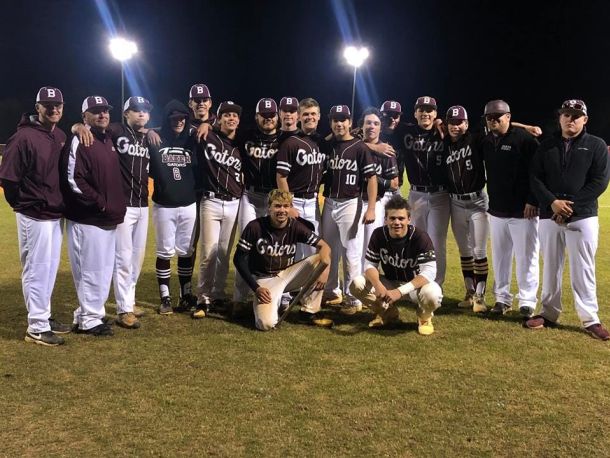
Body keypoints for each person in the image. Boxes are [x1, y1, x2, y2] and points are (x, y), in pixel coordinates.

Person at [527, 99, 610, 340]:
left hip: (582, 216)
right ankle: (548, 313)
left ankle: (590, 319)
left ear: (585, 119)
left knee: (583, 268)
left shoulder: (596, 145)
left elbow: (599, 181)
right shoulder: (547, 145)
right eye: (566, 114)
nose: (570, 119)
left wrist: (569, 207)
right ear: (560, 118)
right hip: (549, 214)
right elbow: (535, 177)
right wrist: (552, 202)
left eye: (575, 115)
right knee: (550, 267)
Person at [0, 87, 71, 346]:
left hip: (54, 213)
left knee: (49, 269)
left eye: (57, 105)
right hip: (34, 214)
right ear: (37, 107)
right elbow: (8, 179)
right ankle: (37, 327)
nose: (53, 109)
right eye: (47, 105)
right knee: (36, 269)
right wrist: (24, 204)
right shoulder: (23, 137)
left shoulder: (60, 135)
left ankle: (43, 316)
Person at [61, 96, 126, 336]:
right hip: (87, 218)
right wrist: (101, 204)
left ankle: (87, 314)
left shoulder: (106, 138)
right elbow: (72, 179)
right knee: (90, 270)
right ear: (84, 116)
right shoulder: (80, 139)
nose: (102, 115)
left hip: (106, 218)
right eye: (96, 111)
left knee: (102, 270)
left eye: (105, 110)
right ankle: (89, 319)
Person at [233, 189, 332, 330]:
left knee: (321, 260)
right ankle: (266, 306)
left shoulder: (295, 226)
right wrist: (256, 288)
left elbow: (325, 246)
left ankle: (309, 312)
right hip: (265, 280)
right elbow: (238, 259)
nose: (282, 210)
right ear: (269, 207)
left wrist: (324, 271)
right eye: (277, 206)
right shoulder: (255, 227)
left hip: (288, 275)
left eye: (286, 206)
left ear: (290, 208)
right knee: (266, 324)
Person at [350, 194, 443, 335]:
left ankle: (424, 317)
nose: (397, 222)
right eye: (392, 218)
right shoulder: (378, 234)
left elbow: (429, 272)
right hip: (389, 283)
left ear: (409, 219)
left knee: (433, 293)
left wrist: (399, 292)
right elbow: (369, 266)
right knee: (357, 284)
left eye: (401, 218)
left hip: (414, 287)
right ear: (385, 219)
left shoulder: (420, 237)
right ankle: (388, 314)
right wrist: (378, 285)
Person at [481, 99, 540, 317]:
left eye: (497, 117)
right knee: (500, 258)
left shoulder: (525, 140)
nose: (493, 120)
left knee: (527, 258)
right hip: (497, 210)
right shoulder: (486, 140)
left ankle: (527, 301)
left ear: (508, 117)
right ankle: (502, 299)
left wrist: (533, 200)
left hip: (523, 211)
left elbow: (538, 172)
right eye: (489, 117)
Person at [321, 105, 377, 314]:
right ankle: (332, 291)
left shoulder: (360, 147)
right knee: (329, 250)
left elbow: (371, 179)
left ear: (350, 122)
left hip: (351, 203)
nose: (339, 123)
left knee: (351, 253)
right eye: (335, 120)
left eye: (343, 119)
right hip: (329, 202)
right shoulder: (328, 146)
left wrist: (371, 208)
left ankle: (353, 297)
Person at [193, 101, 244, 318]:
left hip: (234, 203)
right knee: (209, 253)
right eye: (227, 115)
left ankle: (218, 293)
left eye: (235, 115)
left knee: (224, 253)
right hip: (211, 201)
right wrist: (206, 124)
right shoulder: (208, 136)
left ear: (239, 121)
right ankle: (203, 297)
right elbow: (186, 128)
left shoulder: (241, 144)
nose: (231, 118)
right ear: (219, 118)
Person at [149, 100, 199, 315]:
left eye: (182, 118)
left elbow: (209, 127)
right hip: (164, 205)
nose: (178, 122)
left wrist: (206, 125)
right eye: (174, 119)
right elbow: (133, 129)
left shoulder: (192, 139)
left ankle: (186, 294)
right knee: (165, 252)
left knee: (186, 252)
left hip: (189, 204)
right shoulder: (156, 138)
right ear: (166, 120)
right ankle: (165, 297)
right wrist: (148, 130)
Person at [394, 96, 449, 286]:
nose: (425, 113)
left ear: (435, 113)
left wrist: (441, 123)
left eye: (429, 110)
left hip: (440, 195)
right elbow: (382, 124)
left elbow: (477, 129)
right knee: (416, 240)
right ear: (415, 113)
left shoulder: (444, 131)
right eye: (421, 110)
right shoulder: (405, 130)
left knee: (437, 241)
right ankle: (417, 282)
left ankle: (436, 285)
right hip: (416, 194)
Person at [443, 105, 489, 313]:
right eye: (451, 123)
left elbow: (497, 126)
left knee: (479, 250)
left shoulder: (475, 139)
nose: (455, 126)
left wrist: (525, 127)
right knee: (464, 250)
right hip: (455, 203)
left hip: (477, 201)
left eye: (459, 122)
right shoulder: (444, 143)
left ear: (467, 124)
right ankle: (469, 292)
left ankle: (480, 296)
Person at [276, 98, 326, 259]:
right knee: (294, 251)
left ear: (319, 116)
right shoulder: (290, 143)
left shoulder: (322, 143)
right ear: (299, 116)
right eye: (306, 114)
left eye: (313, 114)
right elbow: (281, 177)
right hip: (295, 200)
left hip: (313, 203)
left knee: (313, 250)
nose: (310, 117)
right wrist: (288, 205)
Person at [359, 107, 399, 265]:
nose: (371, 126)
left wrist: (372, 178)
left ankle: (368, 278)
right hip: (353, 202)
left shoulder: (386, 151)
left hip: (375, 202)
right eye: (368, 123)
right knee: (353, 248)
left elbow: (394, 184)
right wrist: (372, 147)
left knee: (371, 247)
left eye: (376, 123)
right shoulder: (354, 146)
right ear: (362, 125)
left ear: (380, 128)